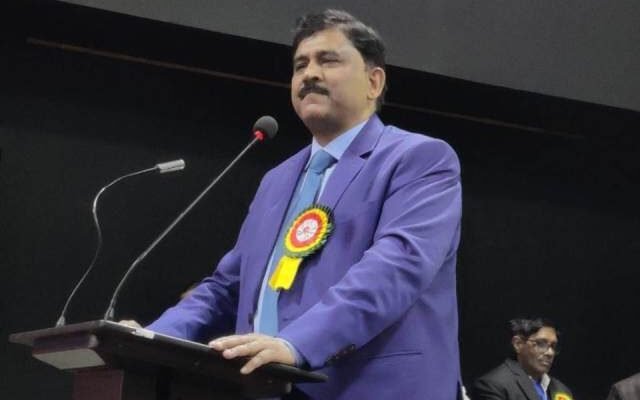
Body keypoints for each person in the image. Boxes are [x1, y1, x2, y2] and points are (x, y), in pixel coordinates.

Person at [143, 9, 462, 399]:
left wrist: (296, 345)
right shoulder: (276, 180)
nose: (310, 73)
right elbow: (227, 287)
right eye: (300, 65)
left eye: (328, 60)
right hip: (268, 388)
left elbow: (396, 267)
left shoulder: (419, 159)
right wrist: (152, 337)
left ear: (374, 81)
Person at [472, 318, 573, 400]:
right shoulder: (493, 385)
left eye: (553, 346)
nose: (550, 353)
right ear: (518, 344)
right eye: (541, 344)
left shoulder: (561, 390)